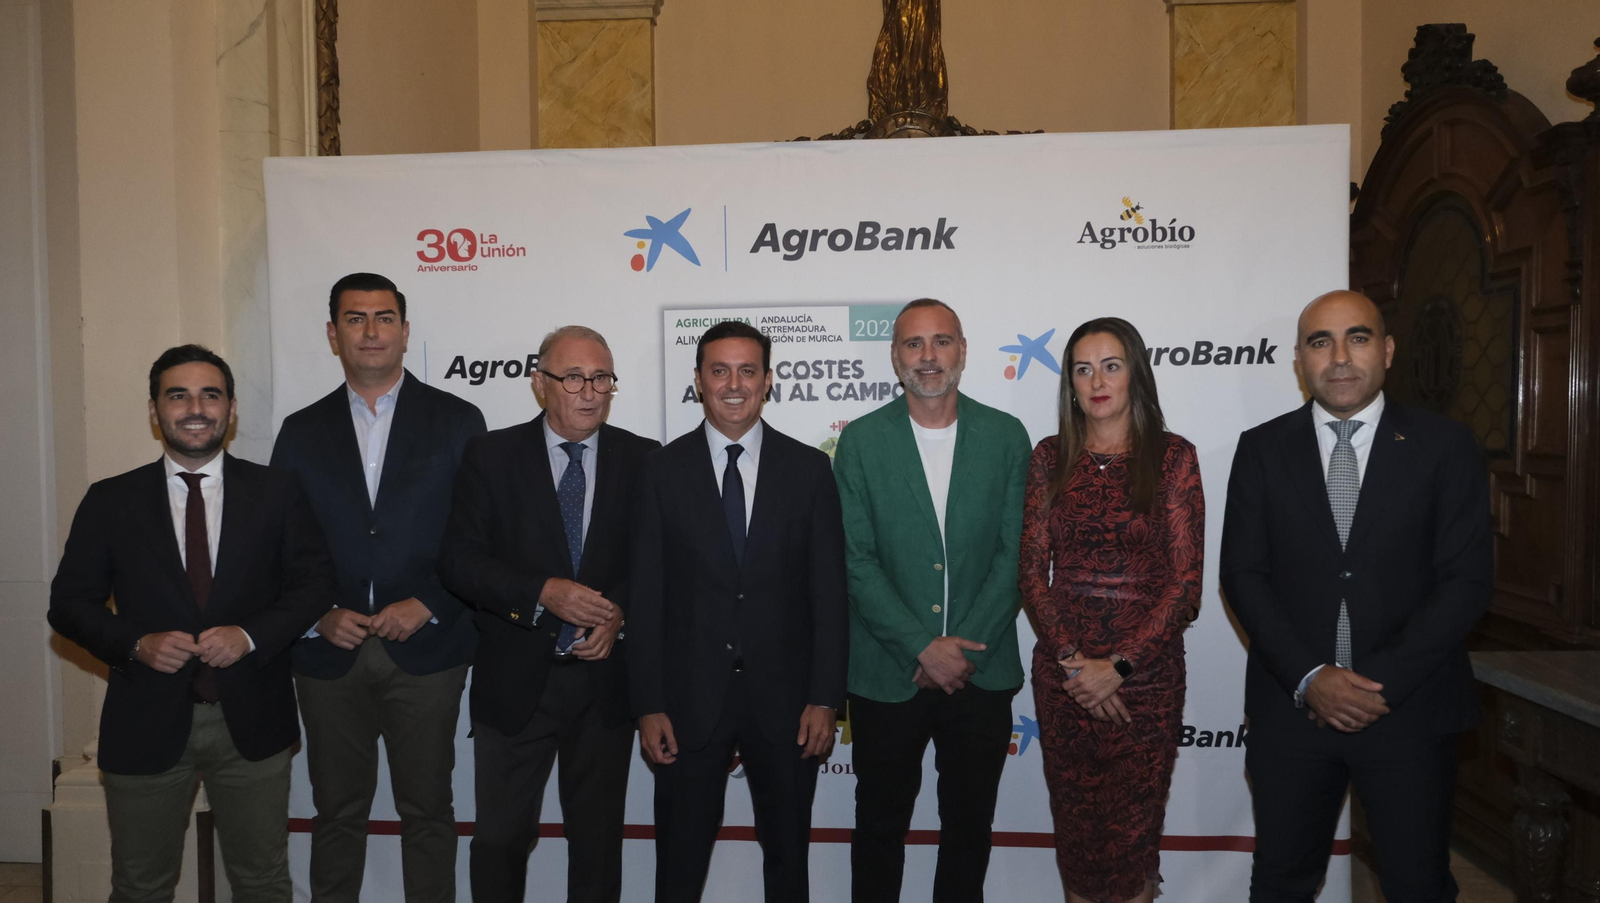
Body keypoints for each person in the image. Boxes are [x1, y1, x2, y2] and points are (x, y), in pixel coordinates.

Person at [1222, 290, 1493, 902]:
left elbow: (1466, 580)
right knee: (1281, 884)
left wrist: (1378, 686)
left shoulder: (1446, 446)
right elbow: (1243, 574)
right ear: (1299, 359)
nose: (1339, 357)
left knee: (1417, 883)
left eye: (1358, 338)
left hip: (1410, 710)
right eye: (1320, 342)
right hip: (1294, 708)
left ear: (1388, 350)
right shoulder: (1261, 449)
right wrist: (1312, 676)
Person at [48, 344, 333, 903]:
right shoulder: (111, 500)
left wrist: (250, 636)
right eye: (177, 395)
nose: (195, 407)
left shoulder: (278, 492)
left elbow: (316, 585)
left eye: (211, 394)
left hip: (252, 721)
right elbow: (69, 604)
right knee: (140, 886)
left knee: (262, 883)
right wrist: (136, 643)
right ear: (155, 411)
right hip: (145, 721)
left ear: (230, 409)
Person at [270, 273, 486, 903]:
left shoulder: (457, 420)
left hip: (429, 649)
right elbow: (282, 550)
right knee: (335, 814)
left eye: (384, 317)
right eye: (356, 318)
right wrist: (318, 615)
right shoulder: (301, 430)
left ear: (405, 331)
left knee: (428, 812)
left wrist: (432, 603)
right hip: (326, 654)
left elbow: (479, 535)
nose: (371, 330)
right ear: (333, 335)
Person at [628, 320, 848, 903]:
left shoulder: (809, 470)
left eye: (747, 370)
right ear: (698, 381)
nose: (733, 384)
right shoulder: (659, 472)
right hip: (686, 705)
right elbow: (645, 598)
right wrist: (648, 704)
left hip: (789, 705)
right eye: (719, 371)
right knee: (678, 867)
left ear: (768, 381)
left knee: (788, 865)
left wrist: (826, 698)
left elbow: (829, 595)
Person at [439, 325, 658, 903]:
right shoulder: (491, 456)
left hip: (604, 686)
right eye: (574, 378)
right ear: (540, 383)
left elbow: (663, 566)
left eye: (602, 378)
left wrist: (621, 616)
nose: (590, 392)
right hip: (515, 681)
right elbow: (459, 562)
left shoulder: (645, 460)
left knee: (598, 845)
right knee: (500, 842)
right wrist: (543, 591)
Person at [833, 298, 1031, 902]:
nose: (928, 356)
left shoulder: (1006, 436)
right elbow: (855, 559)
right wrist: (922, 646)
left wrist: (960, 648)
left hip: (982, 669)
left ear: (963, 351)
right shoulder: (862, 442)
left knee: (969, 830)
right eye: (914, 345)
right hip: (887, 674)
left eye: (941, 341)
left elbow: (1016, 553)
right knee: (878, 830)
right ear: (894, 358)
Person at [1019, 317, 1203, 903]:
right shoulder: (1050, 457)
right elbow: (1030, 571)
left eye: (1111, 365)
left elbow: (1186, 584)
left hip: (1144, 682)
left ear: (1135, 376)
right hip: (1064, 679)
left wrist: (1116, 667)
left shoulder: (1174, 457)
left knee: (1131, 842)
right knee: (1077, 841)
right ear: (1069, 384)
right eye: (1082, 368)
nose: (1096, 380)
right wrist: (1077, 665)